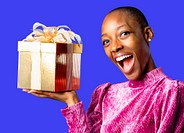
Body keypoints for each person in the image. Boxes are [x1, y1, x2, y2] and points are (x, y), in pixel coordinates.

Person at [23, 6, 184, 133]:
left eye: (124, 33)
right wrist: (71, 100)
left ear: (147, 34)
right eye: (106, 42)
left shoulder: (172, 92)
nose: (115, 46)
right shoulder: (105, 95)